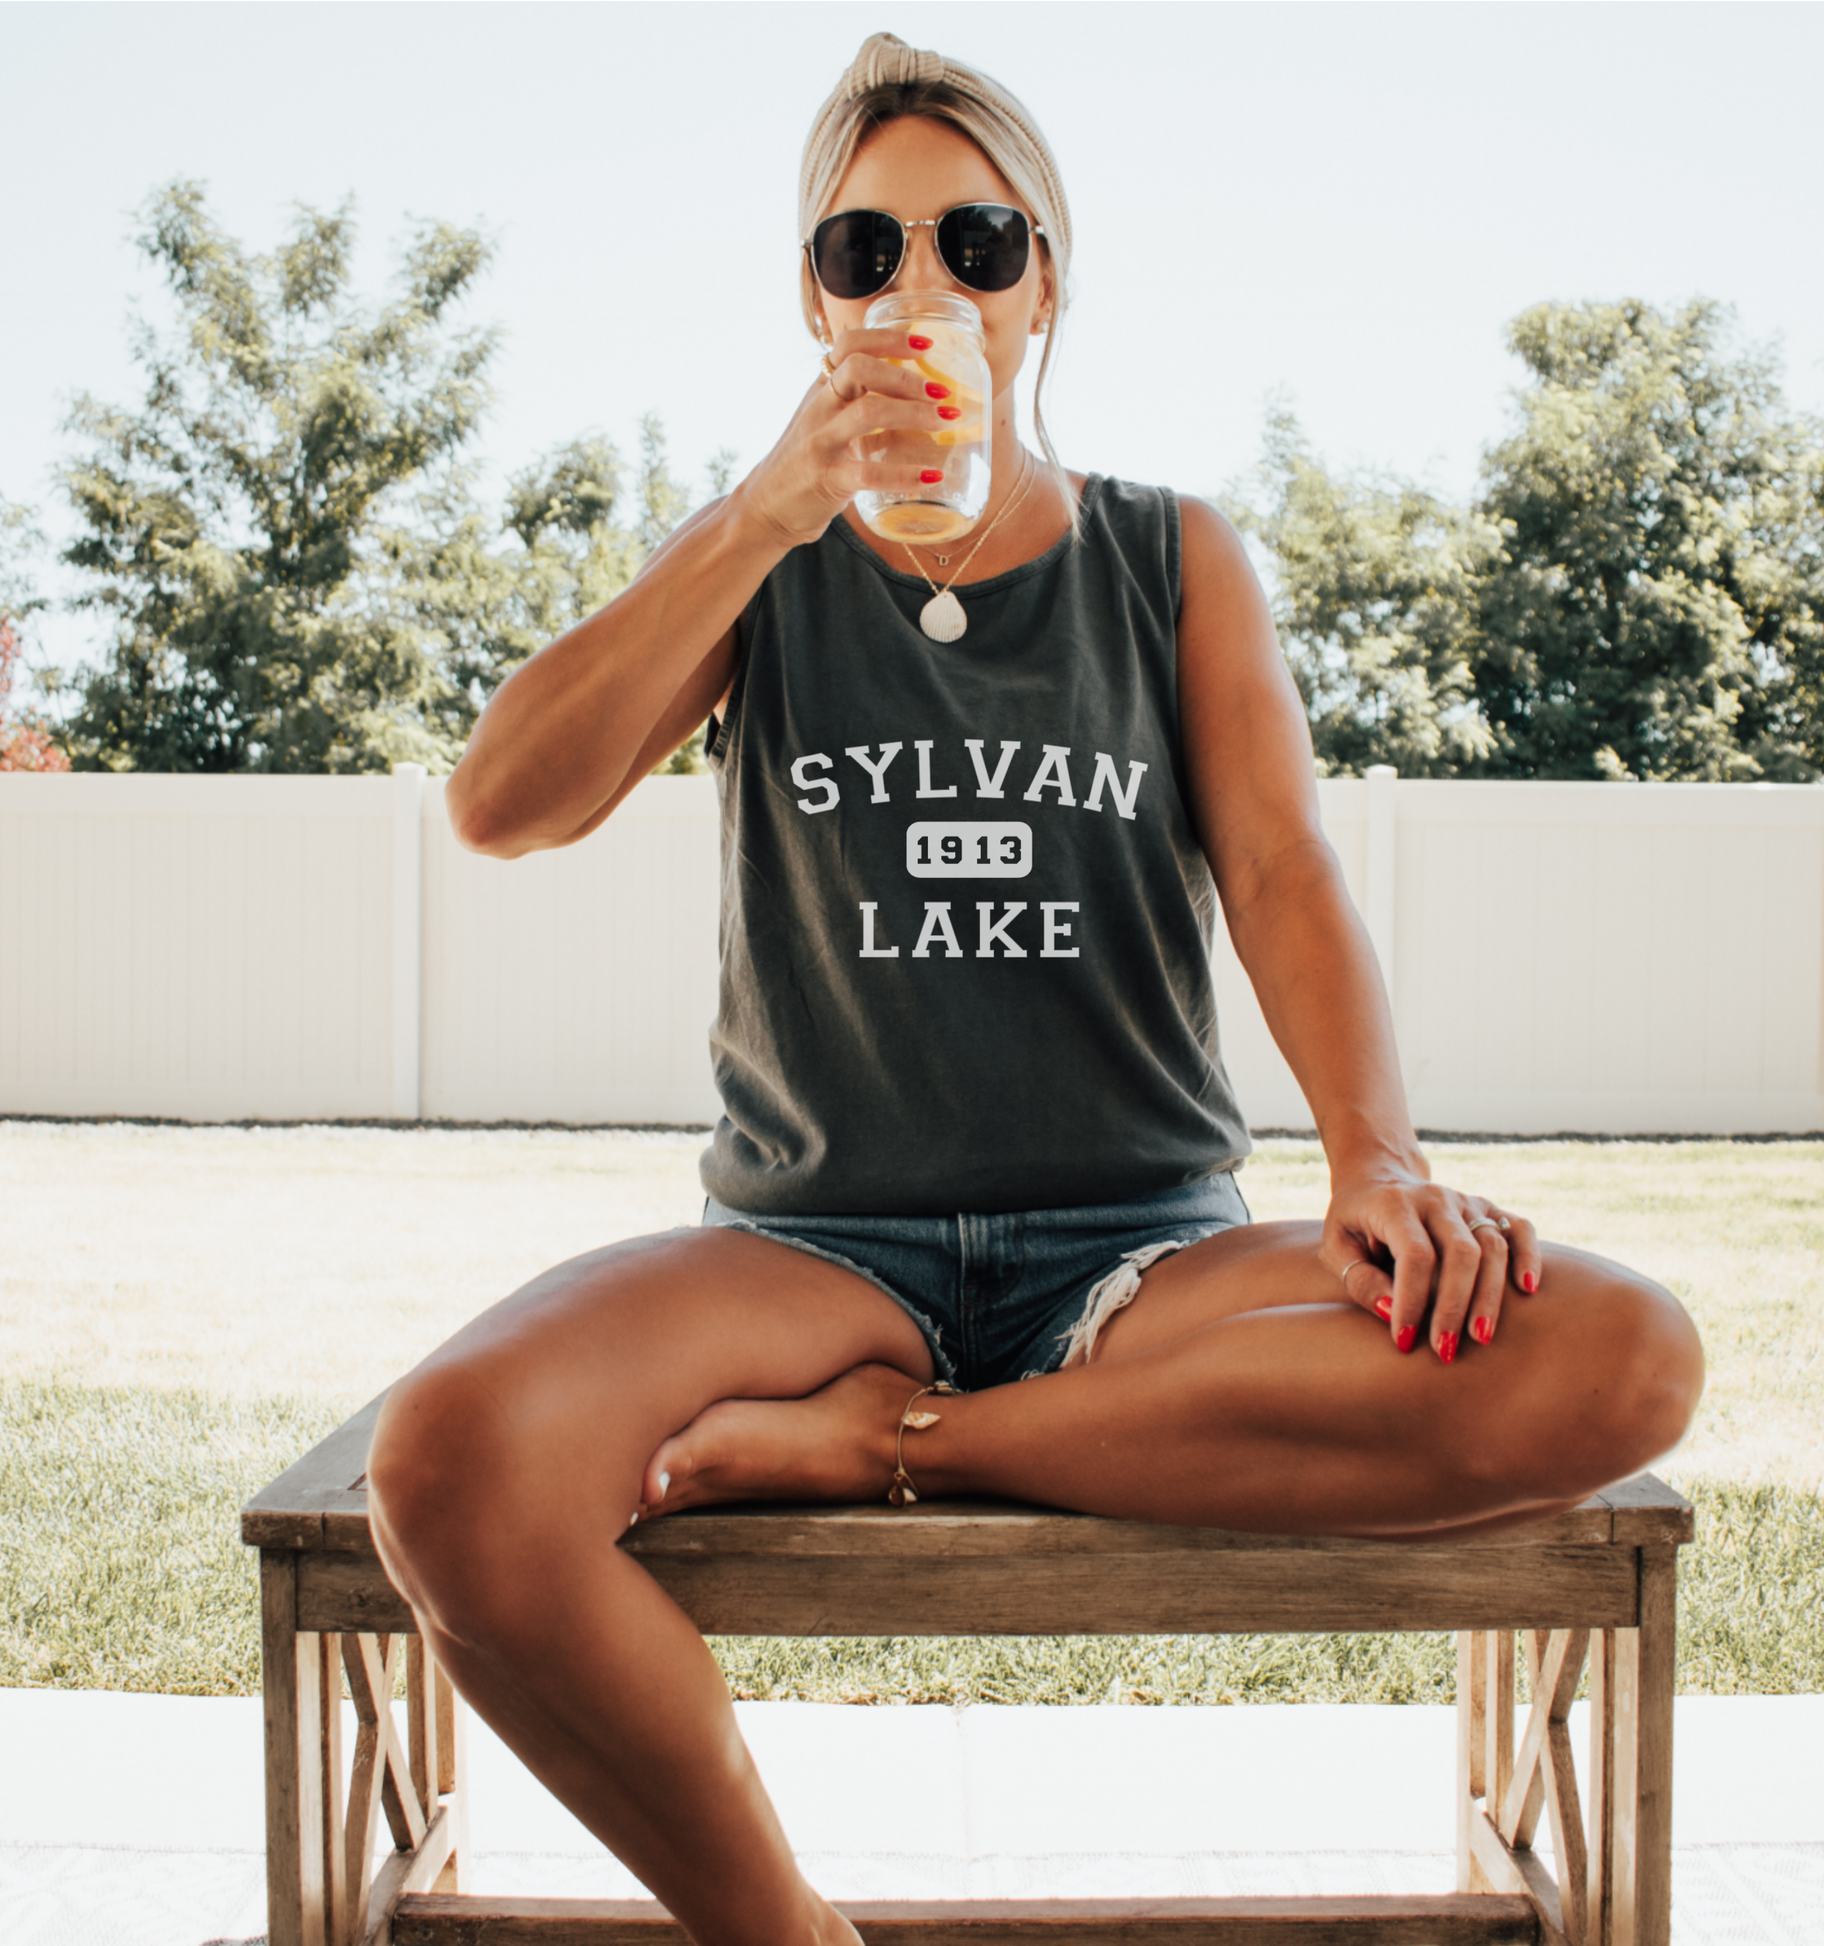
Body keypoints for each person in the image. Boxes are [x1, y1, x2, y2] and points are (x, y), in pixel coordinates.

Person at [366, 33, 1705, 1946]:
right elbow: (503, 804)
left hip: (1139, 1264)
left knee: (1621, 1353)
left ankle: (903, 1440)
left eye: (975, 242)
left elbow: (1281, 871)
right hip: (816, 1255)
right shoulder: (759, 566)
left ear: (1043, 285)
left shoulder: (1169, 555)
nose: (922, 285)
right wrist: (760, 511)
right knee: (449, 1462)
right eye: (866, 250)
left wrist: (1379, 1162)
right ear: (813, 298)